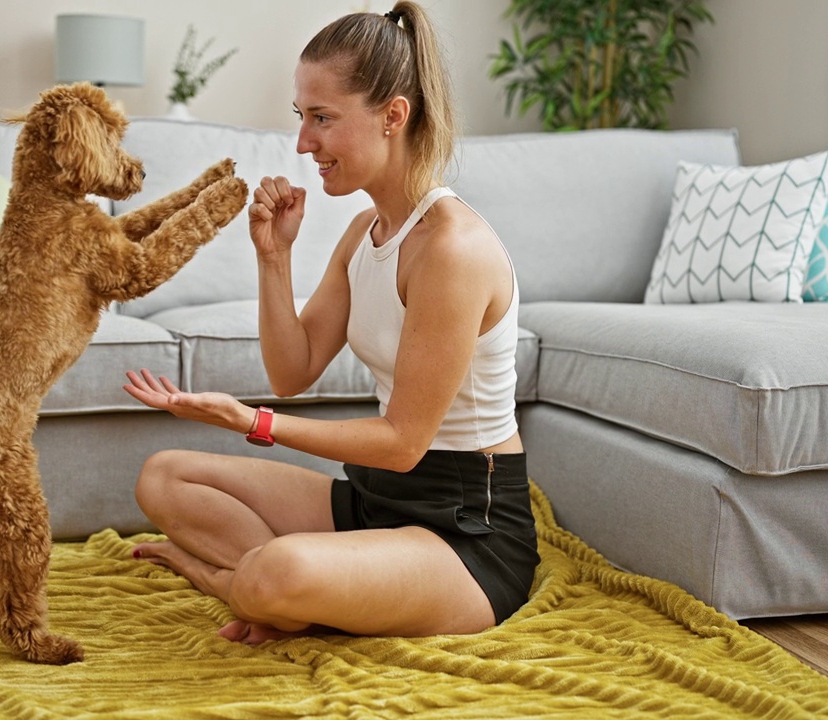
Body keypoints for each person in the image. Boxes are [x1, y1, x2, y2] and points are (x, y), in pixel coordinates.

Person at [122, 1, 539, 646]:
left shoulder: (452, 249)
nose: (302, 142)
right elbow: (292, 371)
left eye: (322, 119)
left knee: (276, 571)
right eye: (301, 117)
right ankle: (277, 588)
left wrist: (251, 422)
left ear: (392, 116)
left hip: (465, 533)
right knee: (164, 475)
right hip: (375, 503)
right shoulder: (363, 234)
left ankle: (242, 583)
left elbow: (403, 442)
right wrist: (274, 258)